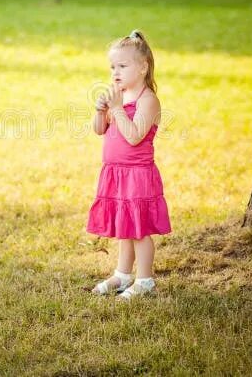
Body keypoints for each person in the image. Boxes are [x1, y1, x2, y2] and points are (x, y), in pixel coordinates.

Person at [87, 29, 173, 300]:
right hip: (115, 173)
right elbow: (99, 130)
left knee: (139, 230)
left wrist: (116, 109)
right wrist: (102, 111)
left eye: (123, 66)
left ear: (143, 67)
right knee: (124, 226)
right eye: (113, 66)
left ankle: (145, 279)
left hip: (138, 174)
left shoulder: (148, 101)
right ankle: (123, 274)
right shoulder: (119, 97)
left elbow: (135, 136)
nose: (116, 72)